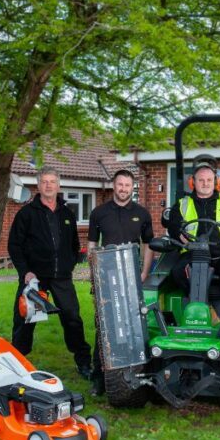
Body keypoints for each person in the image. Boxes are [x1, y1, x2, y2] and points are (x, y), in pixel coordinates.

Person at [8, 166, 92, 380]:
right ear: (38, 185)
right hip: (35, 279)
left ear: (58, 185)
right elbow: (14, 246)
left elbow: (74, 244)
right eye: (44, 181)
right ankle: (17, 365)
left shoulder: (66, 213)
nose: (48, 185)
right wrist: (25, 272)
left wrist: (69, 264)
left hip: (62, 277)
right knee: (25, 320)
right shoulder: (26, 213)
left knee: (73, 319)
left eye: (52, 181)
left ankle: (84, 363)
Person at [86, 169, 154, 395]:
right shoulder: (99, 213)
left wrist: (144, 273)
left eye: (127, 185)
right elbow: (92, 246)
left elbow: (148, 246)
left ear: (132, 188)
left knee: (134, 324)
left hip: (133, 278)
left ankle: (136, 372)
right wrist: (94, 275)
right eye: (120, 184)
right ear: (113, 186)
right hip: (106, 278)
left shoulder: (142, 214)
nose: (123, 188)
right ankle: (100, 379)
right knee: (104, 329)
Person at [167, 160, 220, 313]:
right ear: (193, 182)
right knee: (178, 272)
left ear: (215, 182)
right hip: (193, 252)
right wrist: (179, 235)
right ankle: (196, 304)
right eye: (201, 180)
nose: (205, 183)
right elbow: (173, 226)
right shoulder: (182, 204)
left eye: (209, 180)